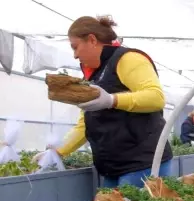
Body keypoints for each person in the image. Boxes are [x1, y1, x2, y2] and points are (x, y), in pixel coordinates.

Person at [33, 16, 173, 188]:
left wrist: (111, 100)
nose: (75, 55)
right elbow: (86, 123)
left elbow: (156, 98)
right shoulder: (94, 74)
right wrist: (57, 151)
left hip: (141, 164)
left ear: (92, 40)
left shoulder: (128, 59)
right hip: (112, 168)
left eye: (75, 47)